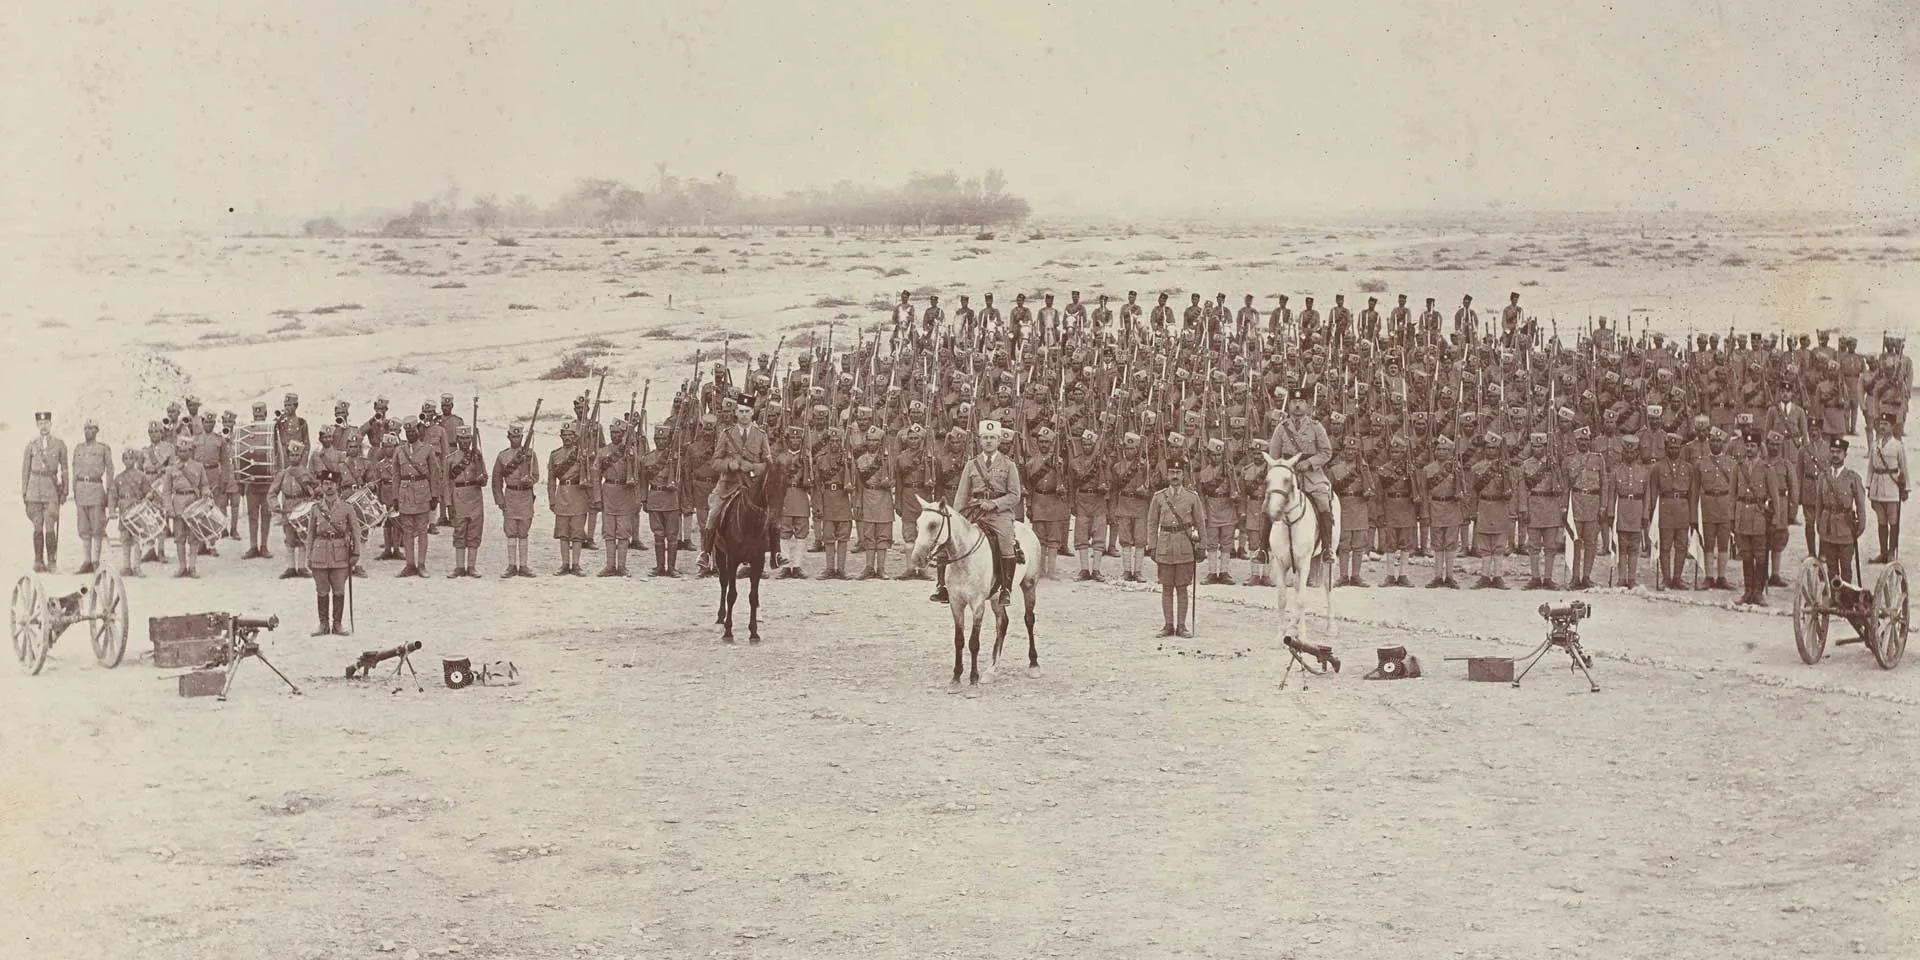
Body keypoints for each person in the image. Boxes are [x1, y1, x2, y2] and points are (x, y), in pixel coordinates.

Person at [698, 393, 778, 576]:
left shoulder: (761, 435)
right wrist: (729, 465)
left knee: (770, 516)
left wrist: (754, 468)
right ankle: (706, 554)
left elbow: (769, 464)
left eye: (747, 411)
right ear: (736, 412)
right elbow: (715, 462)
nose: (743, 415)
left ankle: (775, 553)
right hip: (728, 485)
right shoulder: (726, 435)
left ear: (752, 413)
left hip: (752, 487)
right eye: (740, 411)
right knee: (714, 512)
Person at [952, 419, 1023, 606]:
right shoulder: (971, 465)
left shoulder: (1009, 465)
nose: (989, 441)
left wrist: (994, 503)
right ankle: (944, 586)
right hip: (975, 513)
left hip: (999, 515)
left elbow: (1015, 495)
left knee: (1006, 542)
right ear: (980, 441)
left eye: (992, 438)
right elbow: (961, 495)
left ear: (999, 441)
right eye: (985, 438)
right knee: (953, 540)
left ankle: (1006, 589)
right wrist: (957, 517)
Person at [1260, 387, 1335, 563]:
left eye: (1301, 402)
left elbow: (1326, 452)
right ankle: (1262, 549)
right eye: (1294, 402)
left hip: (1312, 476)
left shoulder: (1316, 427)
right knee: (1267, 504)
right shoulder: (1281, 428)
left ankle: (1327, 548)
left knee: (1323, 502)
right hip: (1287, 475)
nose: (1297, 406)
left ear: (1307, 405)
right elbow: (1274, 456)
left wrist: (1309, 463)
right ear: (1289, 405)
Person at [1145, 459, 1203, 638]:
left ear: (1183, 475)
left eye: (1178, 473)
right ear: (1167, 475)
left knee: (1183, 588)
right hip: (1165, 546)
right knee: (1167, 588)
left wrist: (1202, 546)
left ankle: (1182, 626)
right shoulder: (1159, 497)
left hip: (1185, 547)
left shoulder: (1192, 497)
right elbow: (1152, 523)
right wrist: (1153, 545)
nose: (1175, 476)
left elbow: (1200, 523)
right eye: (1171, 473)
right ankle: (1168, 625)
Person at [306, 470, 363, 636]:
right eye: (325, 483)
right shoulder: (316, 508)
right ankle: (323, 625)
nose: (328, 486)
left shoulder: (347, 508)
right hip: (320, 553)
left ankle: (337, 625)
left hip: (340, 554)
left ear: (337, 486)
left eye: (331, 483)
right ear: (321, 486)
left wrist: (356, 553)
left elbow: (356, 530)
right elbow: (310, 533)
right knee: (322, 591)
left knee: (339, 590)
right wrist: (309, 555)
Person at [1730, 428, 1778, 604]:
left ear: (1759, 448)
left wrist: (1775, 521)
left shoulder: (1767, 469)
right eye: (1747, 445)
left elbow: (1774, 498)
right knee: (1746, 555)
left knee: (1760, 555)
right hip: (1742, 515)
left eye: (1752, 446)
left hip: (1759, 517)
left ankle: (1758, 592)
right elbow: (1732, 495)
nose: (1749, 449)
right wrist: (1732, 518)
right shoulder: (1738, 467)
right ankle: (1748, 591)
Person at [1814, 436, 1869, 585]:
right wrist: (1819, 525)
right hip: (1828, 529)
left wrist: (1860, 527)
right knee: (1831, 567)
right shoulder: (1823, 477)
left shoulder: (1852, 478)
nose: (1835, 455)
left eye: (1838, 452)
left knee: (1845, 568)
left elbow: (1861, 506)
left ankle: (1846, 601)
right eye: (1832, 451)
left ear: (1845, 454)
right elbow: (1819, 504)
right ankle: (1834, 600)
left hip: (1846, 530)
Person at [490, 423, 541, 578]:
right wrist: (500, 500)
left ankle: (524, 566)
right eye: (513, 436)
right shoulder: (503, 456)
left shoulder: (530, 454)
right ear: (508, 437)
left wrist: (530, 480)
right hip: (510, 495)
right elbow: (496, 480)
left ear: (522, 437)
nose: (516, 439)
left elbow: (536, 475)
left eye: (518, 436)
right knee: (511, 532)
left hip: (525, 496)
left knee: (524, 531)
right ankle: (512, 566)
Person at [158, 434, 210, 578]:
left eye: (186, 450)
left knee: (194, 537)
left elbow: (204, 485)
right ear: (177, 451)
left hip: (193, 504)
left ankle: (192, 567)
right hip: (178, 504)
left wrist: (206, 493)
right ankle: (182, 567)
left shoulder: (198, 467)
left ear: (191, 451)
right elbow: (167, 491)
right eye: (180, 451)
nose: (183, 453)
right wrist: (169, 508)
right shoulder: (171, 469)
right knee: (179, 538)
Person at [22, 411, 67, 573]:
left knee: (50, 526)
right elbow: (25, 470)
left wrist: (65, 490)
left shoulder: (59, 444)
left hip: (51, 491)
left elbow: (65, 469)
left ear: (51, 424)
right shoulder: (31, 445)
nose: (44, 427)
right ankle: (38, 560)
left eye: (46, 423)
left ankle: (52, 560)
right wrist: (24, 492)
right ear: (37, 426)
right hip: (34, 492)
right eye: (41, 424)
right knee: (37, 526)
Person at [445, 426, 489, 577]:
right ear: (457, 440)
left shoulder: (477, 456)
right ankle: (459, 567)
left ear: (471, 440)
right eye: (462, 439)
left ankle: (471, 566)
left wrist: (482, 479)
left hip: (475, 495)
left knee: (474, 531)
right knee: (459, 531)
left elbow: (485, 478)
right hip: (458, 496)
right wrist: (448, 504)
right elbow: (446, 483)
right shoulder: (451, 459)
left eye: (467, 439)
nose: (465, 442)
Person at [69, 419, 112, 574]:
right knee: (83, 528)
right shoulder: (78, 448)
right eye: (85, 428)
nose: (88, 431)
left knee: (97, 527)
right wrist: (74, 490)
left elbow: (110, 471)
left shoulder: (103, 449)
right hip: (81, 490)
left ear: (97, 431)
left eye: (91, 428)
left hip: (95, 489)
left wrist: (109, 492)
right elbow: (74, 471)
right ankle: (86, 560)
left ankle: (95, 561)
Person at [548, 421, 591, 576]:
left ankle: (576, 565)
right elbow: (551, 480)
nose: (567, 438)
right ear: (560, 436)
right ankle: (565, 564)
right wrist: (552, 500)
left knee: (577, 533)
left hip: (578, 495)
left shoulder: (581, 454)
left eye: (570, 435)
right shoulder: (555, 455)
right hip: (562, 495)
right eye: (564, 435)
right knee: (563, 533)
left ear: (575, 437)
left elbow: (589, 476)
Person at [1866, 410, 1908, 563]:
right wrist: (1869, 486)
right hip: (1877, 487)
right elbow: (1870, 467)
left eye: (1886, 424)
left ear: (1892, 426)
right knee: (1881, 521)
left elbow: (1904, 468)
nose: (1882, 427)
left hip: (1892, 488)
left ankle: (1891, 553)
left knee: (1893, 521)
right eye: (1881, 424)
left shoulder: (1897, 446)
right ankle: (1883, 553)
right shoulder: (1875, 445)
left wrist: (1906, 489)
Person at [111, 448, 152, 576]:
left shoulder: (142, 476)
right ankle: (126, 566)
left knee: (137, 538)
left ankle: (137, 567)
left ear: (135, 460)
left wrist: (149, 497)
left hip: (136, 509)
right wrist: (112, 510)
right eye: (126, 458)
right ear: (123, 460)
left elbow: (148, 492)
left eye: (131, 458)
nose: (129, 461)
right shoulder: (118, 478)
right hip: (124, 509)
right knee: (125, 539)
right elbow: (113, 495)